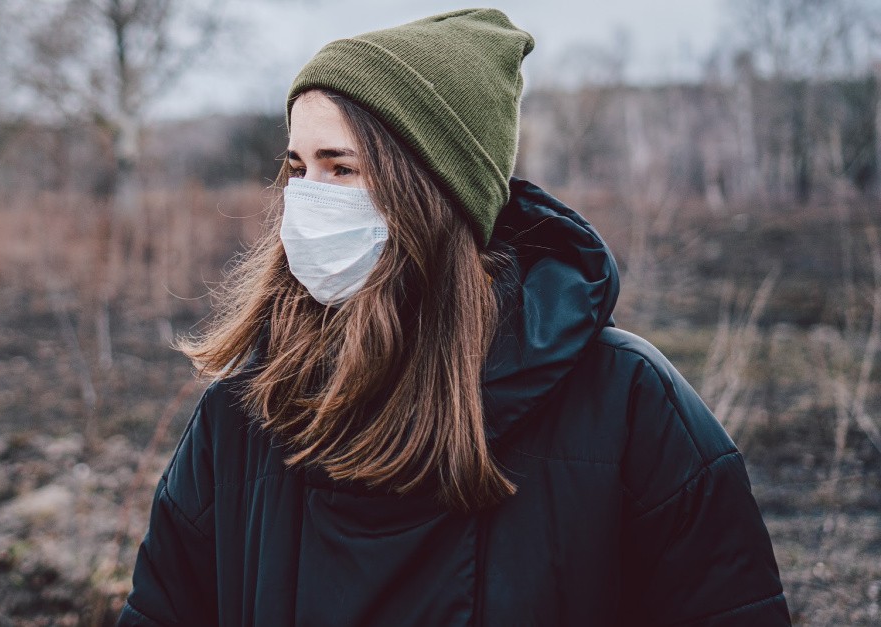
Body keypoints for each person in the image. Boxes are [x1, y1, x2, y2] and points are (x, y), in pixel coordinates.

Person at [118, 8, 790, 626]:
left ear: (432, 194)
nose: (306, 201)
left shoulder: (629, 405)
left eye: (341, 168)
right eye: (296, 167)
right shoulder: (242, 417)